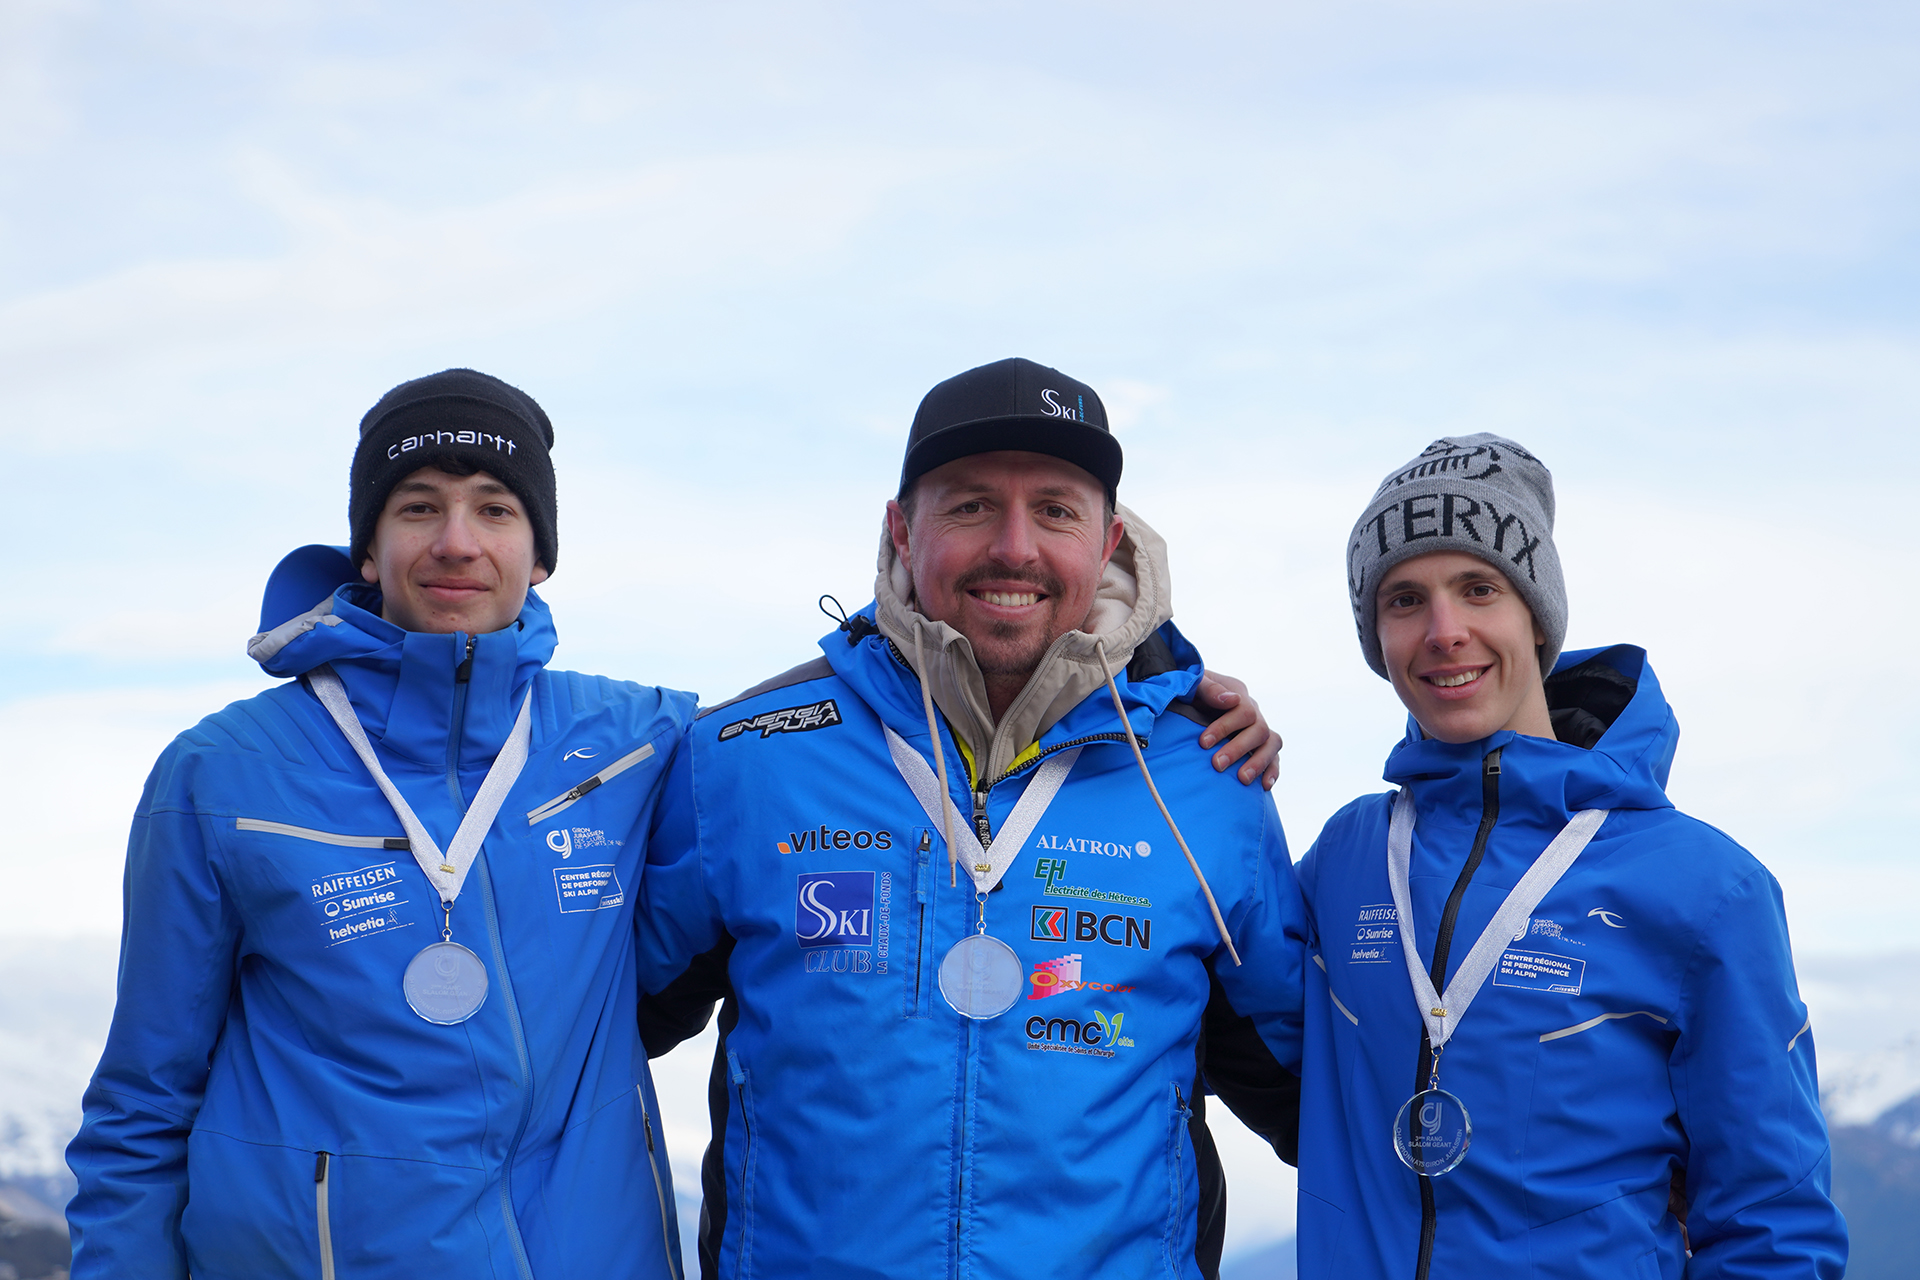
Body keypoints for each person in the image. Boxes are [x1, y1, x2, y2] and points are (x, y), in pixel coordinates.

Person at [636, 357, 1306, 1280]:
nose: (1015, 547)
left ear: (1110, 542)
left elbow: (1330, 1105)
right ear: (902, 532)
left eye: (1057, 511)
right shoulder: (745, 761)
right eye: (971, 505)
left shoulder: (1208, 779)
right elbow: (570, 1043)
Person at [66, 370, 694, 1279]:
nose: (456, 543)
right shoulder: (222, 772)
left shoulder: (644, 745)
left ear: (541, 551)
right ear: (368, 548)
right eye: (417, 508)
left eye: (495, 510)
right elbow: (142, 1106)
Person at [1286, 434, 1847, 1278]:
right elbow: (1217, 1005)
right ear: (1376, 636)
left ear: (1537, 616)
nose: (1445, 632)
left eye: (1480, 589)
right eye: (1405, 600)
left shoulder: (1705, 887)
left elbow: (1775, 1226)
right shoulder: (1347, 856)